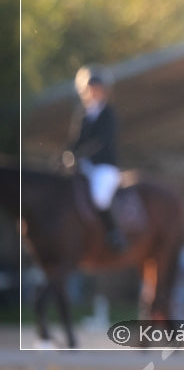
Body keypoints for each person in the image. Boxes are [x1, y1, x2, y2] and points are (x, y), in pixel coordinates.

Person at [64, 64, 126, 252]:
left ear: (103, 90)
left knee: (100, 198)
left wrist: (82, 157)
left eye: (96, 88)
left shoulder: (108, 114)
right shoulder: (83, 114)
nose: (93, 92)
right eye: (90, 89)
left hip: (104, 166)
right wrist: (68, 156)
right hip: (85, 165)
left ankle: (114, 233)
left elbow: (103, 142)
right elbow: (75, 141)